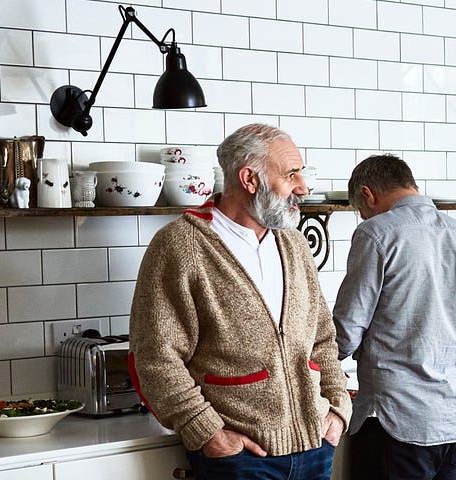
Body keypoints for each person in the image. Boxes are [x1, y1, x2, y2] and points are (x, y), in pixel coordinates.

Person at [130, 123, 349, 480]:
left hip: (314, 448)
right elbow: (155, 355)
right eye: (291, 174)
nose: (302, 188)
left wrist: (337, 408)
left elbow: (322, 338)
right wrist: (208, 432)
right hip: (240, 459)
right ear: (249, 179)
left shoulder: (294, 245)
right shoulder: (181, 246)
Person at [334, 154, 456, 480]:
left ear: (368, 195)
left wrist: (306, 365)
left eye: (362, 209)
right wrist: (442, 347)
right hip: (451, 427)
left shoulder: (375, 233)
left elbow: (346, 332)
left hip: (393, 423)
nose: (364, 216)